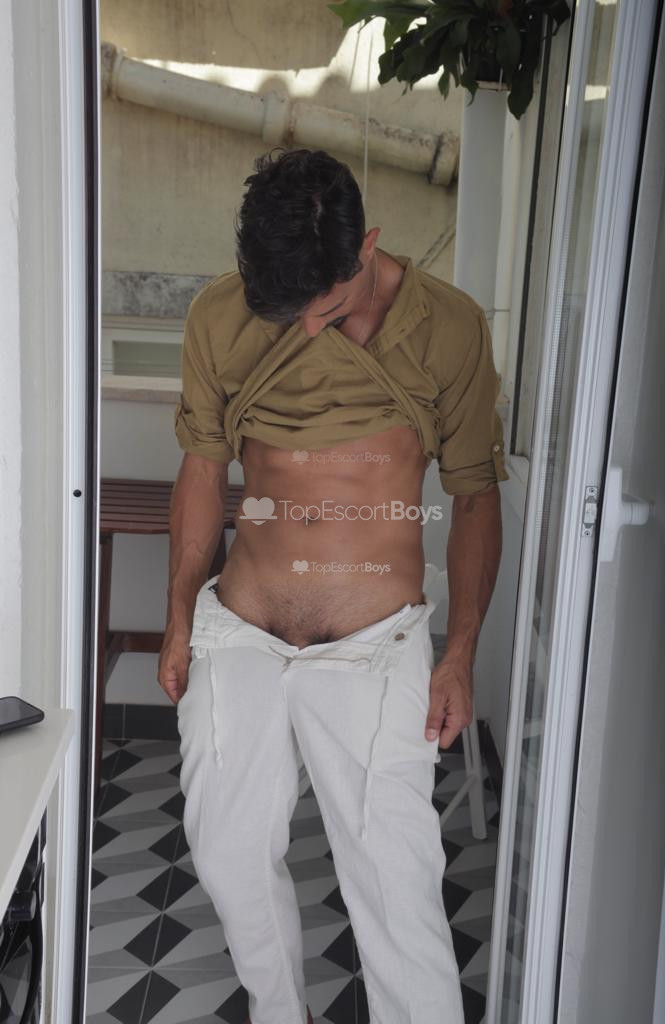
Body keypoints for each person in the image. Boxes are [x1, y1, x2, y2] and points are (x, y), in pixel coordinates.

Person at [158, 148, 508, 1024]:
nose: (308, 331)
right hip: (241, 627)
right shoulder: (218, 315)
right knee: (227, 853)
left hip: (374, 642)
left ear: (368, 246)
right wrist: (178, 619)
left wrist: (459, 654)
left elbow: (473, 496)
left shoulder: (448, 326)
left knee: (394, 881)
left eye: (327, 307)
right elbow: (201, 469)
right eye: (289, 313)